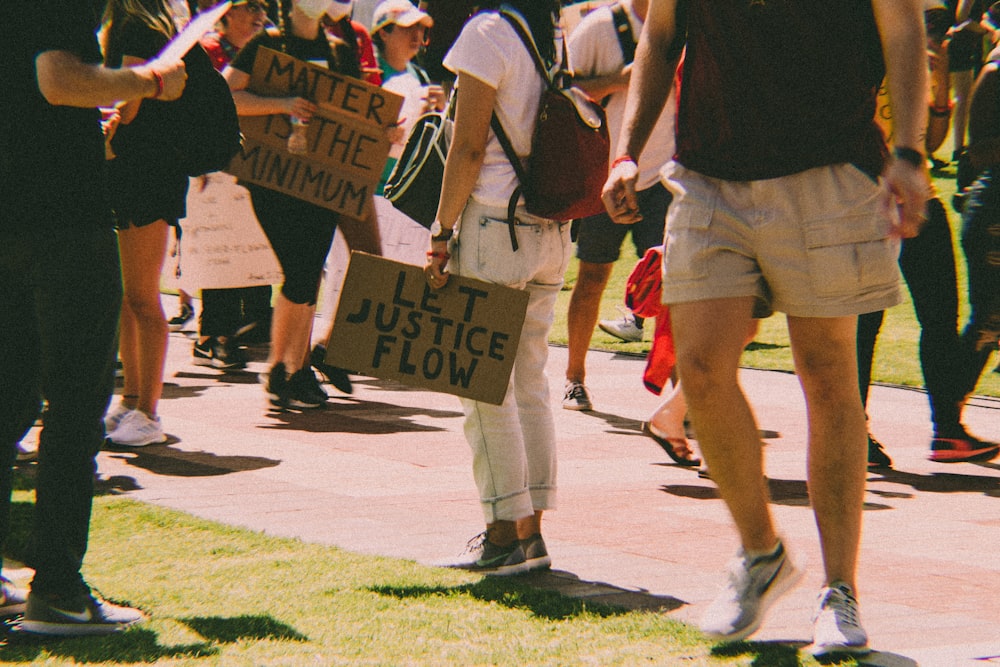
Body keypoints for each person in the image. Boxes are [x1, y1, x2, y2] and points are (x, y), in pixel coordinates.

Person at [603, 0, 929, 656]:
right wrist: (624, 152)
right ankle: (761, 553)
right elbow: (661, 34)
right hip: (708, 173)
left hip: (829, 162)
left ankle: (840, 591)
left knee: (830, 374)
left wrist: (910, 150)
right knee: (698, 367)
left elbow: (903, 28)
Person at [1, 0, 185, 634]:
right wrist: (153, 79)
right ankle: (57, 589)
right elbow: (59, 79)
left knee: (9, 403)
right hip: (64, 219)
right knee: (76, 407)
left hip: (13, 215)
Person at [424, 0, 567, 575]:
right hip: (549, 226)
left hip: (492, 224)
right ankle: (532, 533)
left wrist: (440, 231)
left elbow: (469, 146)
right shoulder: (553, 36)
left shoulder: (486, 32)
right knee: (529, 380)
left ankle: (503, 532)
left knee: (482, 383)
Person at [858, 2, 1000, 467]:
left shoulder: (915, 64)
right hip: (862, 197)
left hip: (920, 199)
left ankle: (947, 431)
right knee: (865, 320)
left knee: (940, 314)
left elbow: (932, 140)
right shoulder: (856, 56)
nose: (930, 29)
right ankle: (852, 431)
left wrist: (937, 89)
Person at [225, 0, 376, 408]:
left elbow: (357, 113)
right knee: (298, 270)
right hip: (274, 179)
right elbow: (227, 95)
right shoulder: (265, 45)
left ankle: (289, 368)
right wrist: (282, 104)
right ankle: (285, 365)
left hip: (320, 181)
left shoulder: (340, 51)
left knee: (308, 272)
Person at [561, 0, 676, 412]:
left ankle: (684, 397)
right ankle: (574, 378)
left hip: (665, 176)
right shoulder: (598, 28)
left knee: (676, 289)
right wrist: (618, 79)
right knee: (591, 277)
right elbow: (563, 90)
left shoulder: (685, 23)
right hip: (604, 172)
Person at [101, 0, 192, 447]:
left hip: (141, 171)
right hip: (149, 170)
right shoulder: (150, 22)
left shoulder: (131, 27)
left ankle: (147, 410)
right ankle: (132, 397)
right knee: (130, 293)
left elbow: (128, 104)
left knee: (140, 294)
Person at [190, 0, 274, 370]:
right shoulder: (207, 50)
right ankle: (213, 336)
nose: (261, 14)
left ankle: (253, 323)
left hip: (261, 163)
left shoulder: (270, 52)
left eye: (264, 6)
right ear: (225, 14)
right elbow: (212, 104)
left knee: (256, 246)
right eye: (250, 6)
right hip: (215, 163)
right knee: (220, 248)